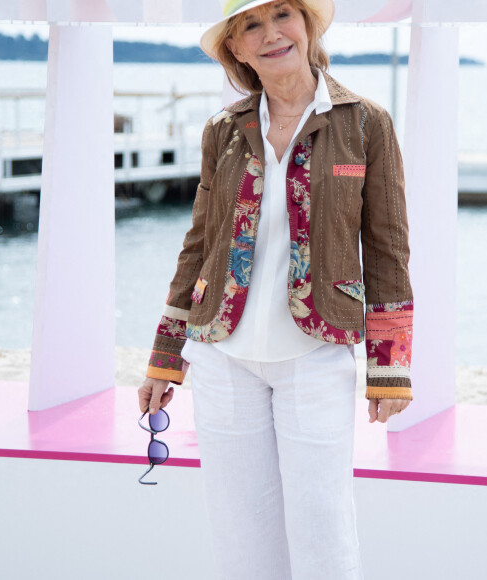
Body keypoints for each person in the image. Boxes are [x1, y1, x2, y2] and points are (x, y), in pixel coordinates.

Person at [138, 0, 413, 577]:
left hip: (315, 354)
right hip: (222, 355)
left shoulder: (366, 123)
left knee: (323, 532)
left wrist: (390, 366)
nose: (271, 34)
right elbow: (199, 246)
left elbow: (388, 249)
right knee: (240, 536)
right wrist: (166, 359)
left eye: (282, 15)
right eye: (251, 26)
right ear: (236, 48)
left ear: (308, 25)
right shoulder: (223, 130)